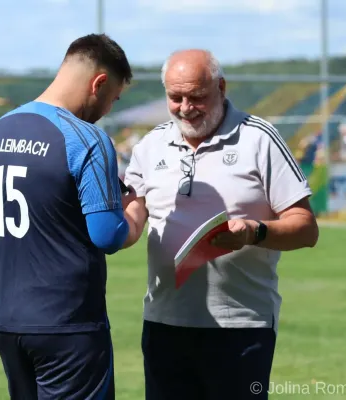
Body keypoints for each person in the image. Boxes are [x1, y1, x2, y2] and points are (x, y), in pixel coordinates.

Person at [122, 49, 319, 400]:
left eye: (197, 96)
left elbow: (305, 227)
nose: (185, 107)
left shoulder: (260, 139)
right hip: (163, 322)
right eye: (175, 97)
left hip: (241, 327)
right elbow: (135, 210)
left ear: (221, 87)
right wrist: (117, 229)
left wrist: (255, 232)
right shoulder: (150, 145)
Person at [0, 33, 135, 399]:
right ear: (100, 83)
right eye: (114, 98)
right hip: (68, 325)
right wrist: (136, 212)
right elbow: (108, 235)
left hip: (8, 323)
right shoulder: (86, 138)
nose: (108, 108)